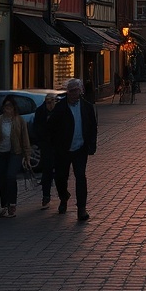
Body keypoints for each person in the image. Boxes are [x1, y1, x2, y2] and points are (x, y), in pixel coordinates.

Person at [49, 78, 98, 221]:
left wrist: (91, 145)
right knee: (60, 177)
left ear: (81, 90)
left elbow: (92, 127)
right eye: (70, 91)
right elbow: (51, 127)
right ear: (67, 92)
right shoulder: (60, 107)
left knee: (81, 177)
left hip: (80, 148)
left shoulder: (87, 107)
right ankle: (64, 196)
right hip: (63, 150)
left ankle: (81, 209)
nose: (73, 94)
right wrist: (54, 145)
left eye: (76, 90)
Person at [0, 95, 31, 218]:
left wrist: (27, 156)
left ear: (14, 108)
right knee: (2, 179)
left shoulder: (19, 121)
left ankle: (12, 203)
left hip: (15, 152)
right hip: (1, 153)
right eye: (6, 106)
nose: (8, 109)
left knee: (11, 176)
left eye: (10, 106)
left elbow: (25, 139)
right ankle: (4, 204)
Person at [31, 92, 60, 208]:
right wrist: (40, 142)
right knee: (47, 172)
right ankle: (46, 196)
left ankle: (62, 196)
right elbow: (36, 127)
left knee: (59, 173)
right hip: (46, 146)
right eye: (49, 102)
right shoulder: (40, 111)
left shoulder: (59, 111)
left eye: (53, 101)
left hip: (57, 146)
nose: (51, 104)